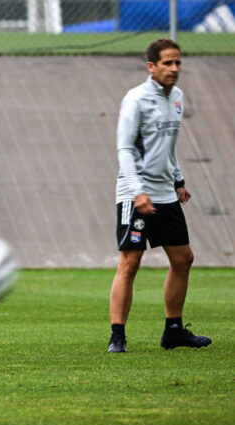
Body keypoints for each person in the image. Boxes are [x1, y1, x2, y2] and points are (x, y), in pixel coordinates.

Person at [107, 38, 212, 353]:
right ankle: (117, 337)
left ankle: (174, 331)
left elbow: (167, 146)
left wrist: (178, 179)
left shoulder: (177, 97)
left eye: (177, 62)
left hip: (165, 192)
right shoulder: (136, 100)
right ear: (151, 66)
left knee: (184, 259)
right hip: (134, 192)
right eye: (167, 63)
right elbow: (125, 149)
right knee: (130, 263)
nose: (174, 68)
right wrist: (137, 191)